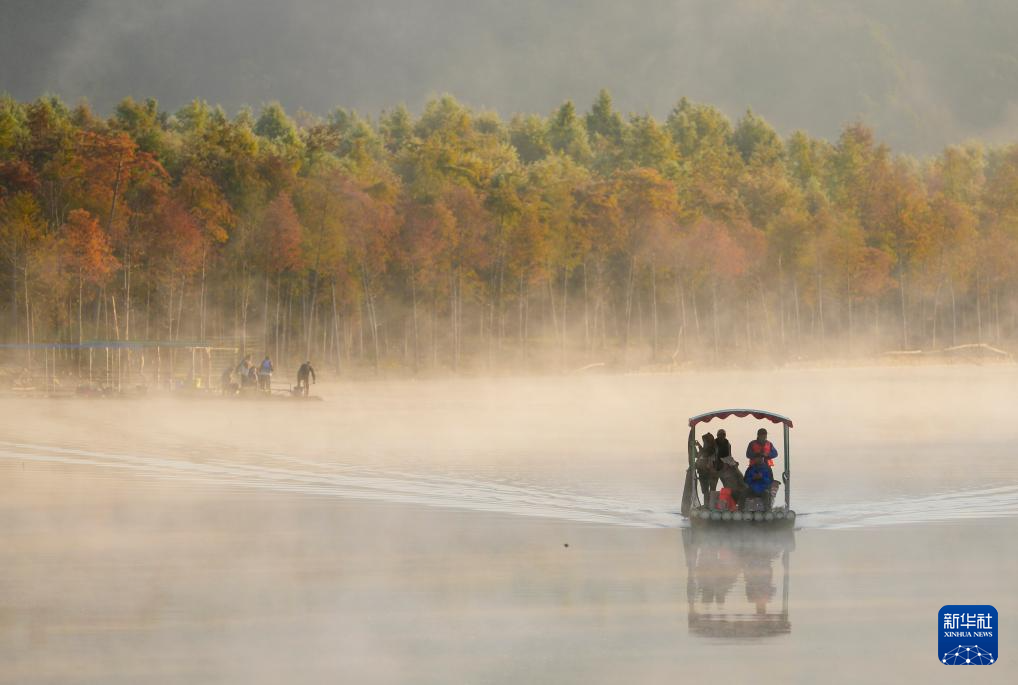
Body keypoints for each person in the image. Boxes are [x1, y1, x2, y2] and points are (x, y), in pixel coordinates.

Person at [695, 432, 720, 505]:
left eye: (705, 441)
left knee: (711, 490)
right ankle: (707, 505)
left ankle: (710, 505)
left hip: (711, 473)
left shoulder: (713, 449)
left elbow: (706, 454)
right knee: (705, 491)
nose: (704, 443)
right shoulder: (705, 448)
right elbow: (699, 456)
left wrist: (699, 446)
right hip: (703, 472)